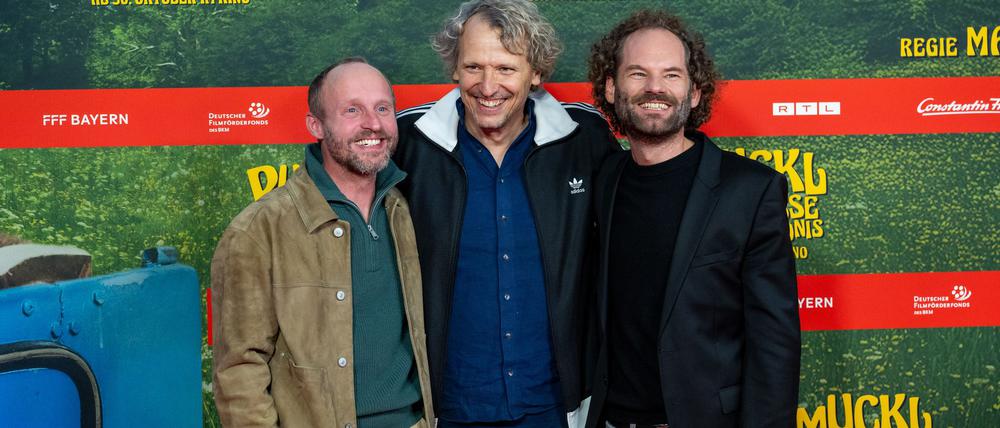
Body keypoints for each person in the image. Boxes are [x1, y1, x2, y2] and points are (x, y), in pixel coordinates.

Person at [393, 0, 619, 426]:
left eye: (506, 69)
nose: (487, 85)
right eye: (474, 66)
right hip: (448, 407)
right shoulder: (408, 142)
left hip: (556, 406)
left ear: (536, 73)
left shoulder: (583, 137)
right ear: (454, 68)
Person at [584, 10, 800, 428]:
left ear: (695, 92)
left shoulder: (751, 191)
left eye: (671, 75)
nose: (654, 88)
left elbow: (774, 344)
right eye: (637, 73)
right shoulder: (605, 180)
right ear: (611, 88)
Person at [211, 58, 433, 428]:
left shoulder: (405, 211)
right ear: (315, 125)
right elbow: (239, 370)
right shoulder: (258, 230)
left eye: (382, 108)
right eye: (352, 110)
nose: (373, 124)